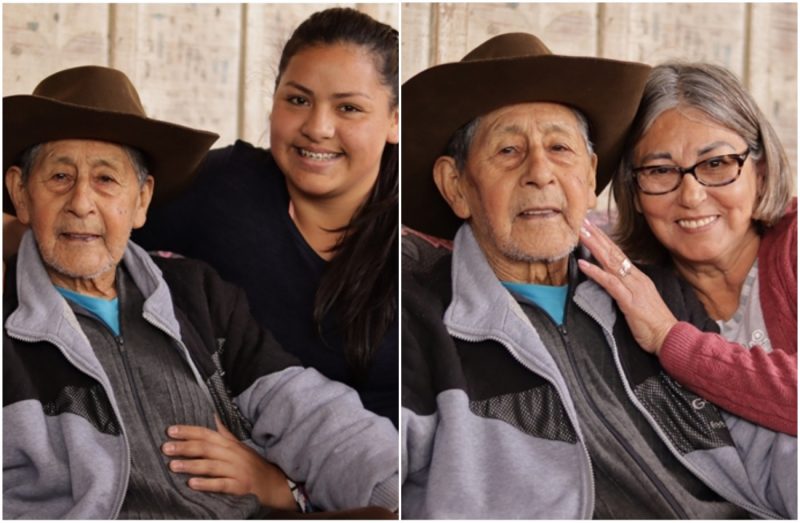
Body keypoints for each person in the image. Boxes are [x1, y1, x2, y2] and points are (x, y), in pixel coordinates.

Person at [401, 32, 796, 519]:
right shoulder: (415, 319)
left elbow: (771, 454)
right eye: (508, 151)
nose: (540, 173)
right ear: (456, 186)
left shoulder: (657, 296)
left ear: (590, 177)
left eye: (560, 148)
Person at [3, 65, 397, 519]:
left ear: (142, 200)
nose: (82, 203)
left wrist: (395, 486)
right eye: (59, 178)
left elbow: (308, 411)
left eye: (107, 179)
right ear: (21, 193)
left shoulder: (195, 294)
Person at [132, 7, 399, 426]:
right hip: (216, 470)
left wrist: (283, 485)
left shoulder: (419, 239)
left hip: (379, 480)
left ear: (395, 121)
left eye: (348, 108)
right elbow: (89, 223)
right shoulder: (220, 188)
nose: (318, 127)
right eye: (298, 100)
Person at [577, 62, 796, 436]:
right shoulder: (632, 290)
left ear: (759, 172)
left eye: (716, 164)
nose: (692, 197)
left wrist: (669, 338)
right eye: (661, 171)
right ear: (636, 192)